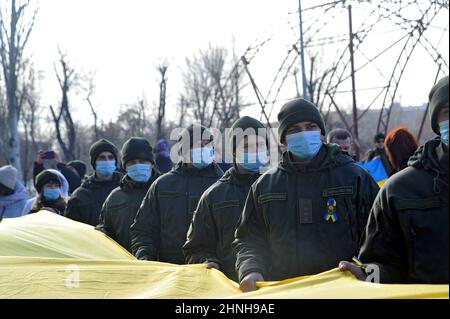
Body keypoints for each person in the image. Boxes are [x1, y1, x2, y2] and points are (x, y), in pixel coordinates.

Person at [233, 98, 379, 292]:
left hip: (345, 290)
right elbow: (249, 239)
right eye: (294, 130)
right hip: (285, 292)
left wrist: (367, 271)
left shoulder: (355, 177)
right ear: (284, 139)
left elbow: (382, 235)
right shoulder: (265, 186)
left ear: (321, 132)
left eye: (310, 126)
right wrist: (250, 269)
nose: (304, 134)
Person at [339, 76, 449, 284]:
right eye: (448, 111)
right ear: (437, 123)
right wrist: (367, 275)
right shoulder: (399, 190)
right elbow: (383, 263)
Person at [183, 117, 268, 281]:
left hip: (278, 286)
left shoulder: (276, 188)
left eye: (259, 145)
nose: (255, 151)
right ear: (235, 151)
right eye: (246, 146)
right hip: (232, 288)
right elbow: (195, 248)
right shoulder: (214, 196)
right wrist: (208, 262)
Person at [131, 124, 224, 264]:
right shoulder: (162, 186)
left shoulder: (223, 184)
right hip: (170, 273)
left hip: (215, 272)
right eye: (199, 145)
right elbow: (143, 231)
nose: (205, 149)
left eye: (208, 144)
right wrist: (145, 258)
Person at [96, 137, 161, 252]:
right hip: (127, 265)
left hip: (164, 266)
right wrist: (102, 233)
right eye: (132, 162)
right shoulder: (114, 198)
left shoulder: (165, 191)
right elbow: (107, 229)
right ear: (125, 167)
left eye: (142, 161)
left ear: (151, 164)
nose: (137, 165)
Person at [65, 138, 123, 226]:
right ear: (94, 162)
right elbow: (72, 230)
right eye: (102, 158)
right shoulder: (80, 196)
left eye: (110, 157)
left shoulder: (126, 187)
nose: (107, 161)